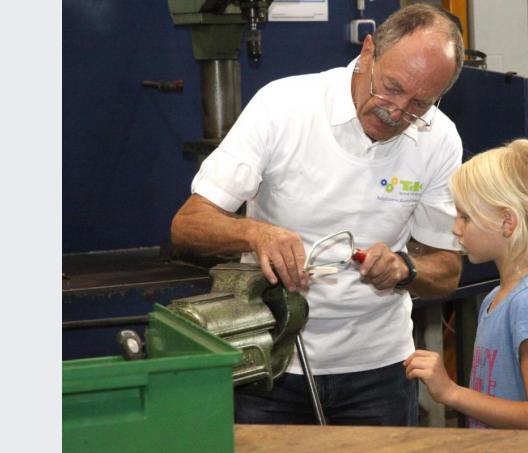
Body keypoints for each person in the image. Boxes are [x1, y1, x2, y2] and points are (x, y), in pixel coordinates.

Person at [170, 4, 465, 426]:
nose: (397, 112)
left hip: (379, 372)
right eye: (391, 89)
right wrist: (256, 234)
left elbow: (447, 269)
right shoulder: (285, 106)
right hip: (272, 365)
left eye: (420, 104)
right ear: (368, 52)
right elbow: (187, 225)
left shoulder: (438, 139)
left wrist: (405, 268)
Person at [404, 139, 528, 431]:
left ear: (507, 222)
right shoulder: (495, 299)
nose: (456, 228)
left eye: (465, 216)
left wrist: (452, 392)